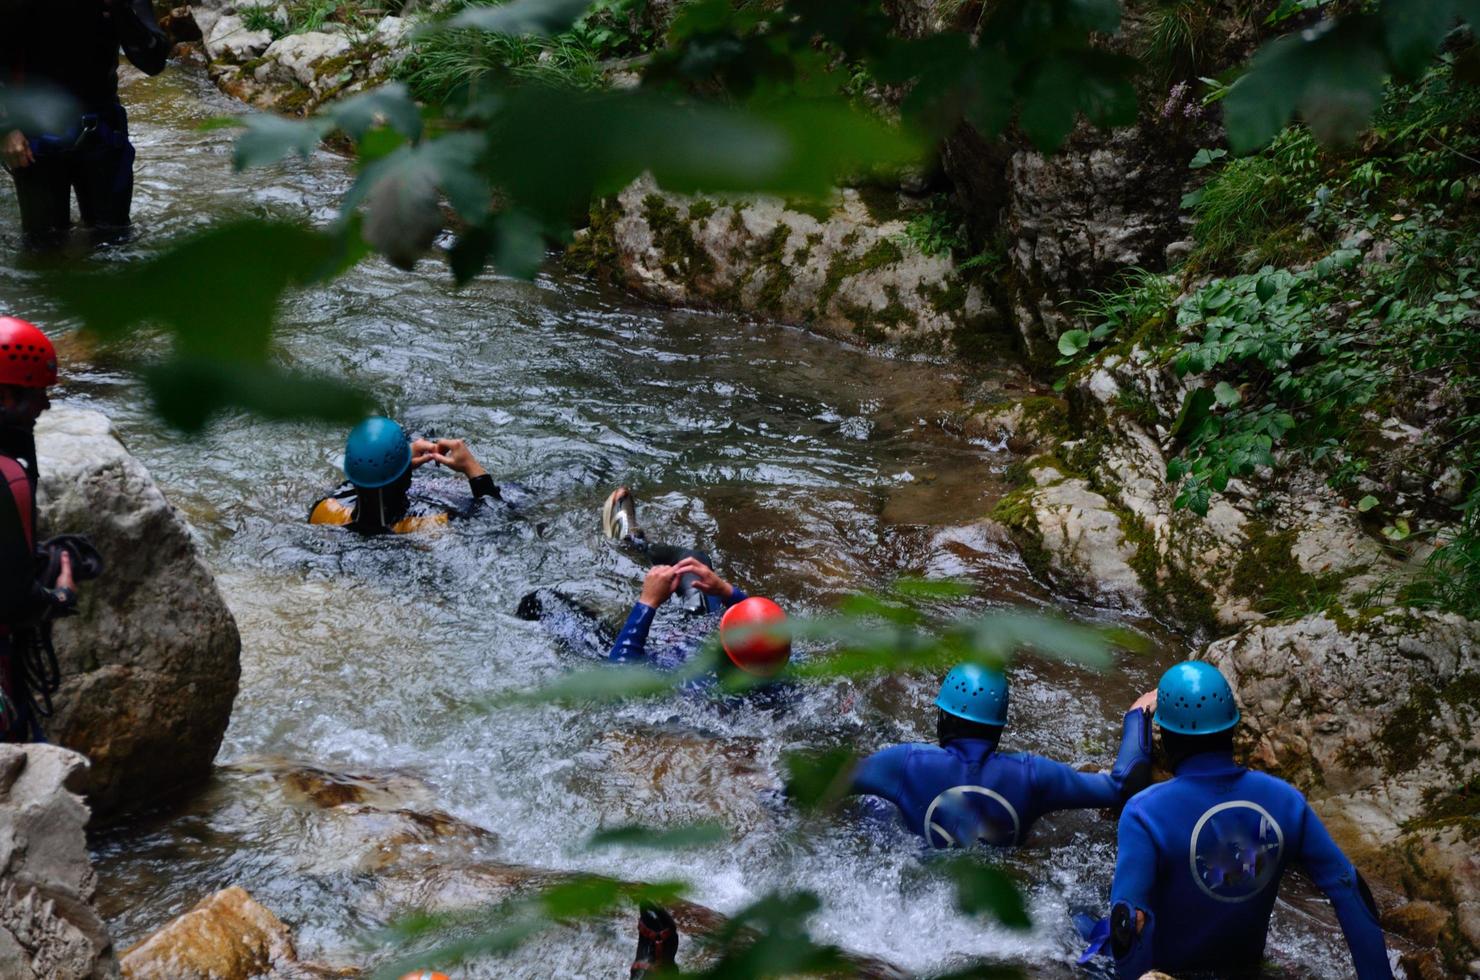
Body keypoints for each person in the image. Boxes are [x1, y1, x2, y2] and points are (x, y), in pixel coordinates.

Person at [1101, 660, 1393, 979]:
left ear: (1167, 737)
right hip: (1245, 968)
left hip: (1169, 971)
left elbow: (1128, 922)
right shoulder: (1285, 800)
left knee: (1082, 921)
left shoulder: (1145, 812)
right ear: (1232, 729)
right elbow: (1348, 887)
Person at [846, 663, 1153, 848]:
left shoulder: (907, 763)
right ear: (999, 726)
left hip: (917, 892)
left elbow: (817, 783)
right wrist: (1137, 717)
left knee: (874, 806)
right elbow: (1123, 786)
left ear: (945, 718)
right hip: (997, 902)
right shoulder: (1033, 775)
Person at [518, 487, 791, 681]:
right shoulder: (782, 663)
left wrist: (647, 603)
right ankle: (634, 543)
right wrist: (725, 590)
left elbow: (619, 680)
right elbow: (761, 625)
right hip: (688, 636)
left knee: (540, 600)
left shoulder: (698, 683)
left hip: (637, 657)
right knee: (693, 561)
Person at [1, 0, 171, 249]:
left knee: (114, 243)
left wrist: (120, 9)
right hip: (33, 137)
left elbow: (154, 61)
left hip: (100, 130)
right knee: (43, 245)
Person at [0, 317, 80, 742]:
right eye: (34, 395)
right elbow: (14, 602)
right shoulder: (8, 477)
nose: (44, 406)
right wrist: (62, 590)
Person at [309, 416, 502, 535]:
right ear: (406, 478)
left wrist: (399, 461)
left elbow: (365, 478)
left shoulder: (323, 510)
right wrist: (472, 468)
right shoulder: (430, 526)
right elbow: (495, 520)